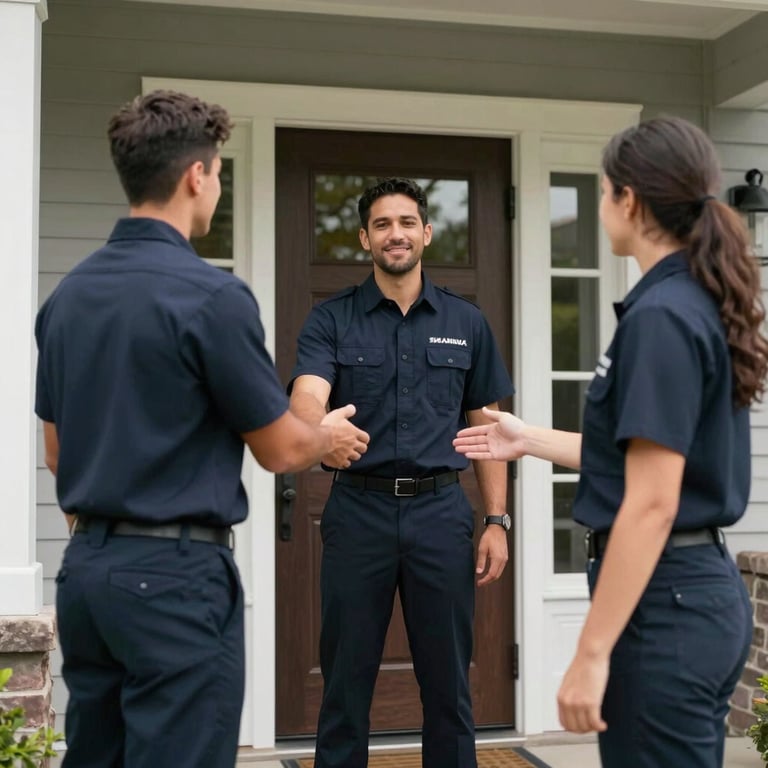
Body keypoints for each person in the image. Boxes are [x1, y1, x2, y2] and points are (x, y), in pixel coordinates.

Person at [34, 90, 369, 768]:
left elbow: (55, 452)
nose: (216, 185)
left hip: (87, 575)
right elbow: (278, 447)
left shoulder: (68, 296)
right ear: (196, 175)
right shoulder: (210, 296)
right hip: (176, 579)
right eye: (217, 172)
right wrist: (324, 437)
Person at [454, 116, 767, 768]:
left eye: (601, 193)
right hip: (690, 595)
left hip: (666, 606)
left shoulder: (662, 316)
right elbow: (640, 463)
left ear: (629, 199)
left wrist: (591, 652)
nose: (601, 208)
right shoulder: (689, 302)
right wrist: (526, 438)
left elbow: (651, 503)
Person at [288, 177, 515, 768]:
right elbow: (308, 397)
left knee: (448, 687)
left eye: (407, 222)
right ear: (365, 237)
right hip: (357, 513)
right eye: (383, 224)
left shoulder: (467, 323)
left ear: (427, 233)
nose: (397, 234)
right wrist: (318, 434)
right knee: (344, 684)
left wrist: (496, 520)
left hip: (441, 515)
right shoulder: (331, 320)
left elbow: (489, 427)